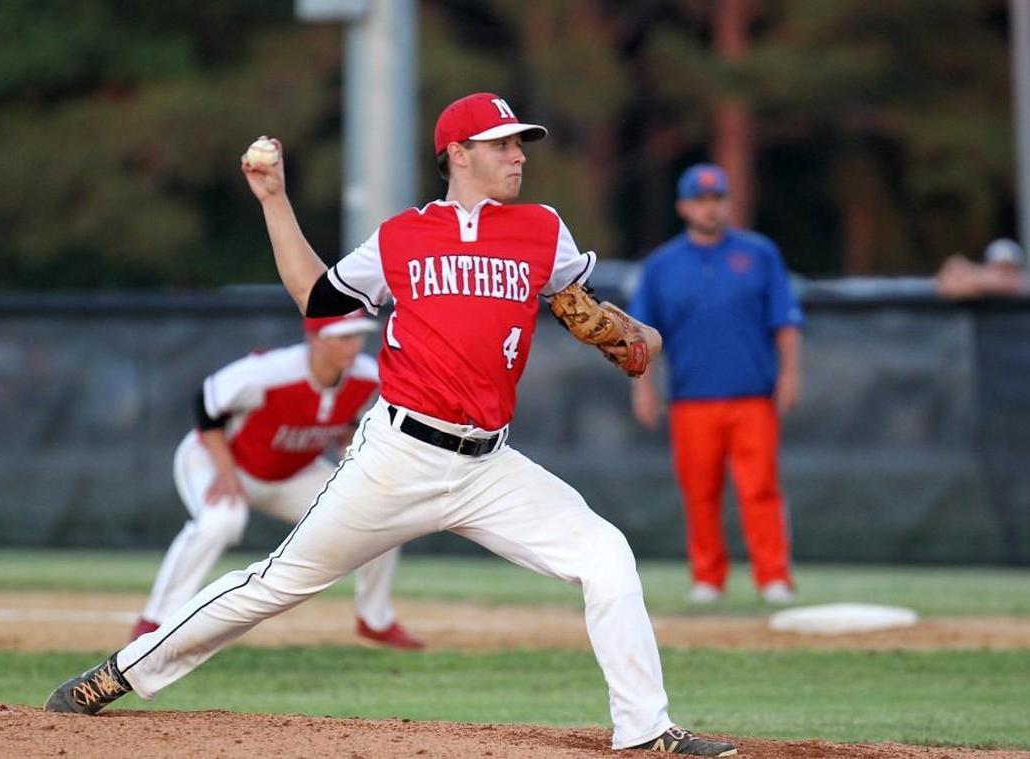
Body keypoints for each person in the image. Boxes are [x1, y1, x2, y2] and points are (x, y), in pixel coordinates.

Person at [46, 92, 737, 756]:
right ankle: (119, 672)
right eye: (502, 143)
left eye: (521, 143)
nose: (519, 155)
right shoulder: (403, 236)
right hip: (399, 453)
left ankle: (645, 726)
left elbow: (583, 305)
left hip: (489, 466)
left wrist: (634, 331)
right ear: (458, 153)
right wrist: (275, 199)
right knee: (276, 581)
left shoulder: (542, 228)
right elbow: (316, 298)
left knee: (605, 553)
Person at [129, 311, 423, 650]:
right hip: (222, 459)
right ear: (315, 338)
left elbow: (348, 430)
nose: (353, 344)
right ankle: (155, 619)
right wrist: (224, 471)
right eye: (342, 336)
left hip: (291, 473)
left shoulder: (367, 377)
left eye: (357, 335)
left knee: (376, 514)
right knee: (221, 521)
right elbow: (206, 404)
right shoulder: (271, 373)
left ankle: (375, 619)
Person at [628, 163, 803, 606]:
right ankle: (708, 578)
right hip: (691, 399)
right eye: (701, 200)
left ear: (728, 202)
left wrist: (790, 374)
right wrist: (643, 388)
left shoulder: (759, 253)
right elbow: (642, 334)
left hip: (752, 396)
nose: (710, 208)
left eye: (717, 198)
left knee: (760, 489)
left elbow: (784, 320)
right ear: (684, 206)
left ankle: (773, 577)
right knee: (699, 492)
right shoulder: (662, 264)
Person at [936, 238, 1029, 300]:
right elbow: (948, 286)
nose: (1004, 272)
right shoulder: (982, 283)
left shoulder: (1023, 285)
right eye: (999, 267)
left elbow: (1011, 284)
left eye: (1009, 267)